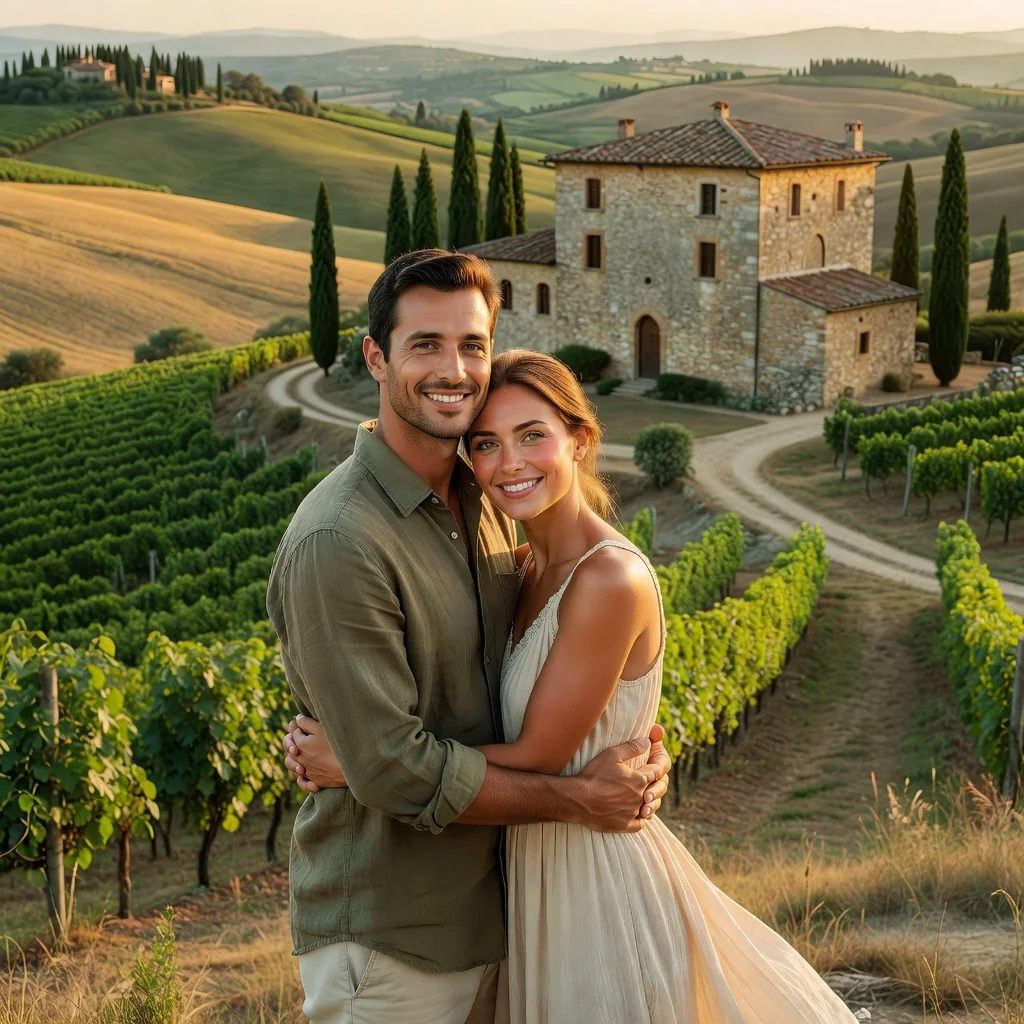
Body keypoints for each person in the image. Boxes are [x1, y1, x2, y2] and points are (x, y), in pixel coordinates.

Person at [286, 345, 862, 1023]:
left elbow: (537, 755)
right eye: (487, 444)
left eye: (533, 436)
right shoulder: (517, 563)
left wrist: (362, 764)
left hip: (591, 877)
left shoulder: (607, 580)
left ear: (580, 439)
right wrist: (372, 745)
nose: (511, 462)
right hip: (527, 868)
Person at [266, 249, 670, 1024]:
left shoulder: (486, 504)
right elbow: (391, 767)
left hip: (505, 913)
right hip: (394, 937)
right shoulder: (340, 539)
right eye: (425, 345)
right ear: (377, 359)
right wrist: (581, 798)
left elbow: (545, 692)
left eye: (472, 346)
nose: (453, 369)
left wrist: (637, 749)